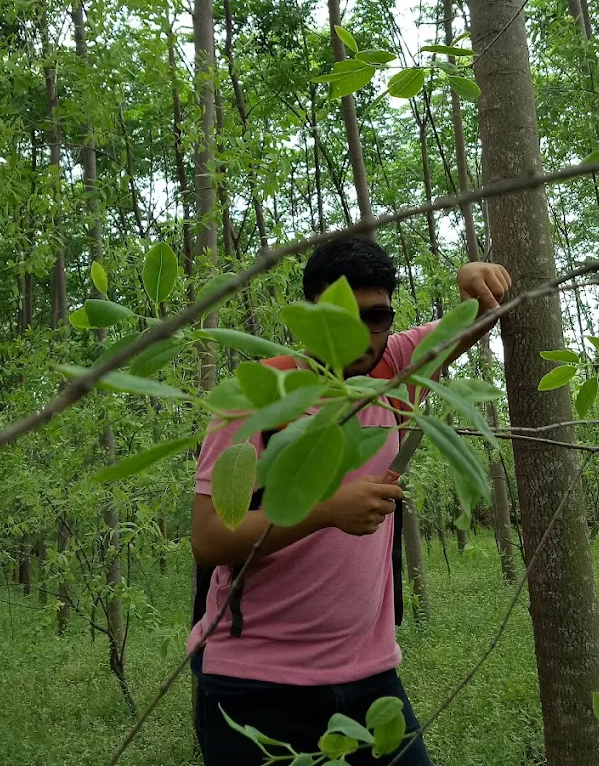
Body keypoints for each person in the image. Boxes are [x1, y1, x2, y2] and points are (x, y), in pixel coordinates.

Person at [188, 236, 512, 765]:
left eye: (377, 316)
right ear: (311, 320)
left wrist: (476, 273)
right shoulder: (255, 397)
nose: (361, 335)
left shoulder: (395, 370)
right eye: (342, 318)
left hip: (371, 676)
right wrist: (326, 511)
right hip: (254, 683)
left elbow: (478, 313)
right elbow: (209, 539)